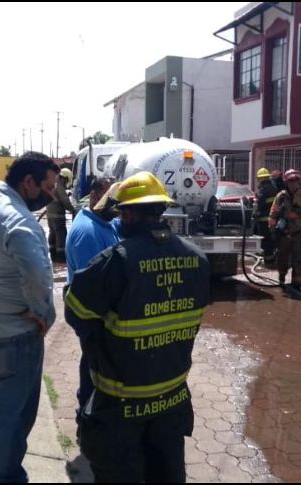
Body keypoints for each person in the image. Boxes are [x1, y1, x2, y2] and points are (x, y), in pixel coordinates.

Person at [65, 171, 210, 482]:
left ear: (128, 213)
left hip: (121, 405)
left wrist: (101, 342)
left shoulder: (116, 260)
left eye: (122, 212)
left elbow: (76, 313)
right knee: (166, 473)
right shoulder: (197, 258)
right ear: (161, 210)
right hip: (172, 398)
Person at [0, 152, 59, 483]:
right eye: (47, 187)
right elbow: (37, 275)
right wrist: (41, 311)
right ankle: (4, 477)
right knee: (11, 417)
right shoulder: (18, 219)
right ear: (27, 182)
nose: (50, 194)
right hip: (14, 335)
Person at [64, 177, 120, 418]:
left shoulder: (103, 222)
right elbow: (96, 287)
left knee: (94, 361)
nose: (116, 207)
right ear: (96, 196)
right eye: (112, 200)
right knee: (94, 365)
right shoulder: (88, 232)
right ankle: (88, 416)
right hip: (90, 312)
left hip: (94, 309)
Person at [269, 169, 301, 289]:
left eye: (296, 181)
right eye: (291, 181)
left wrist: (299, 212)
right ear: (286, 182)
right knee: (282, 259)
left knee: (298, 261)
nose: (293, 183)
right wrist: (272, 229)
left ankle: (297, 284)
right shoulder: (280, 196)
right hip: (283, 235)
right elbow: (273, 213)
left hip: (297, 234)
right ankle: (281, 279)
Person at [47, 167, 76, 262]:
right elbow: (65, 202)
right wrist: (73, 210)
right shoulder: (59, 186)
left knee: (52, 233)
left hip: (50, 216)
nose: (66, 182)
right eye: (66, 180)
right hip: (58, 216)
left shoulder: (53, 186)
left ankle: (53, 257)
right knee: (61, 235)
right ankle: (61, 259)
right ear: (64, 178)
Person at [253, 167, 278, 263]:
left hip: (264, 220)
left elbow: (260, 205)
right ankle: (272, 257)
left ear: (259, 179)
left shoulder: (262, 190)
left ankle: (269, 260)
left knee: (265, 239)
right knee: (271, 239)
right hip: (273, 218)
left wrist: (255, 214)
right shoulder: (273, 188)